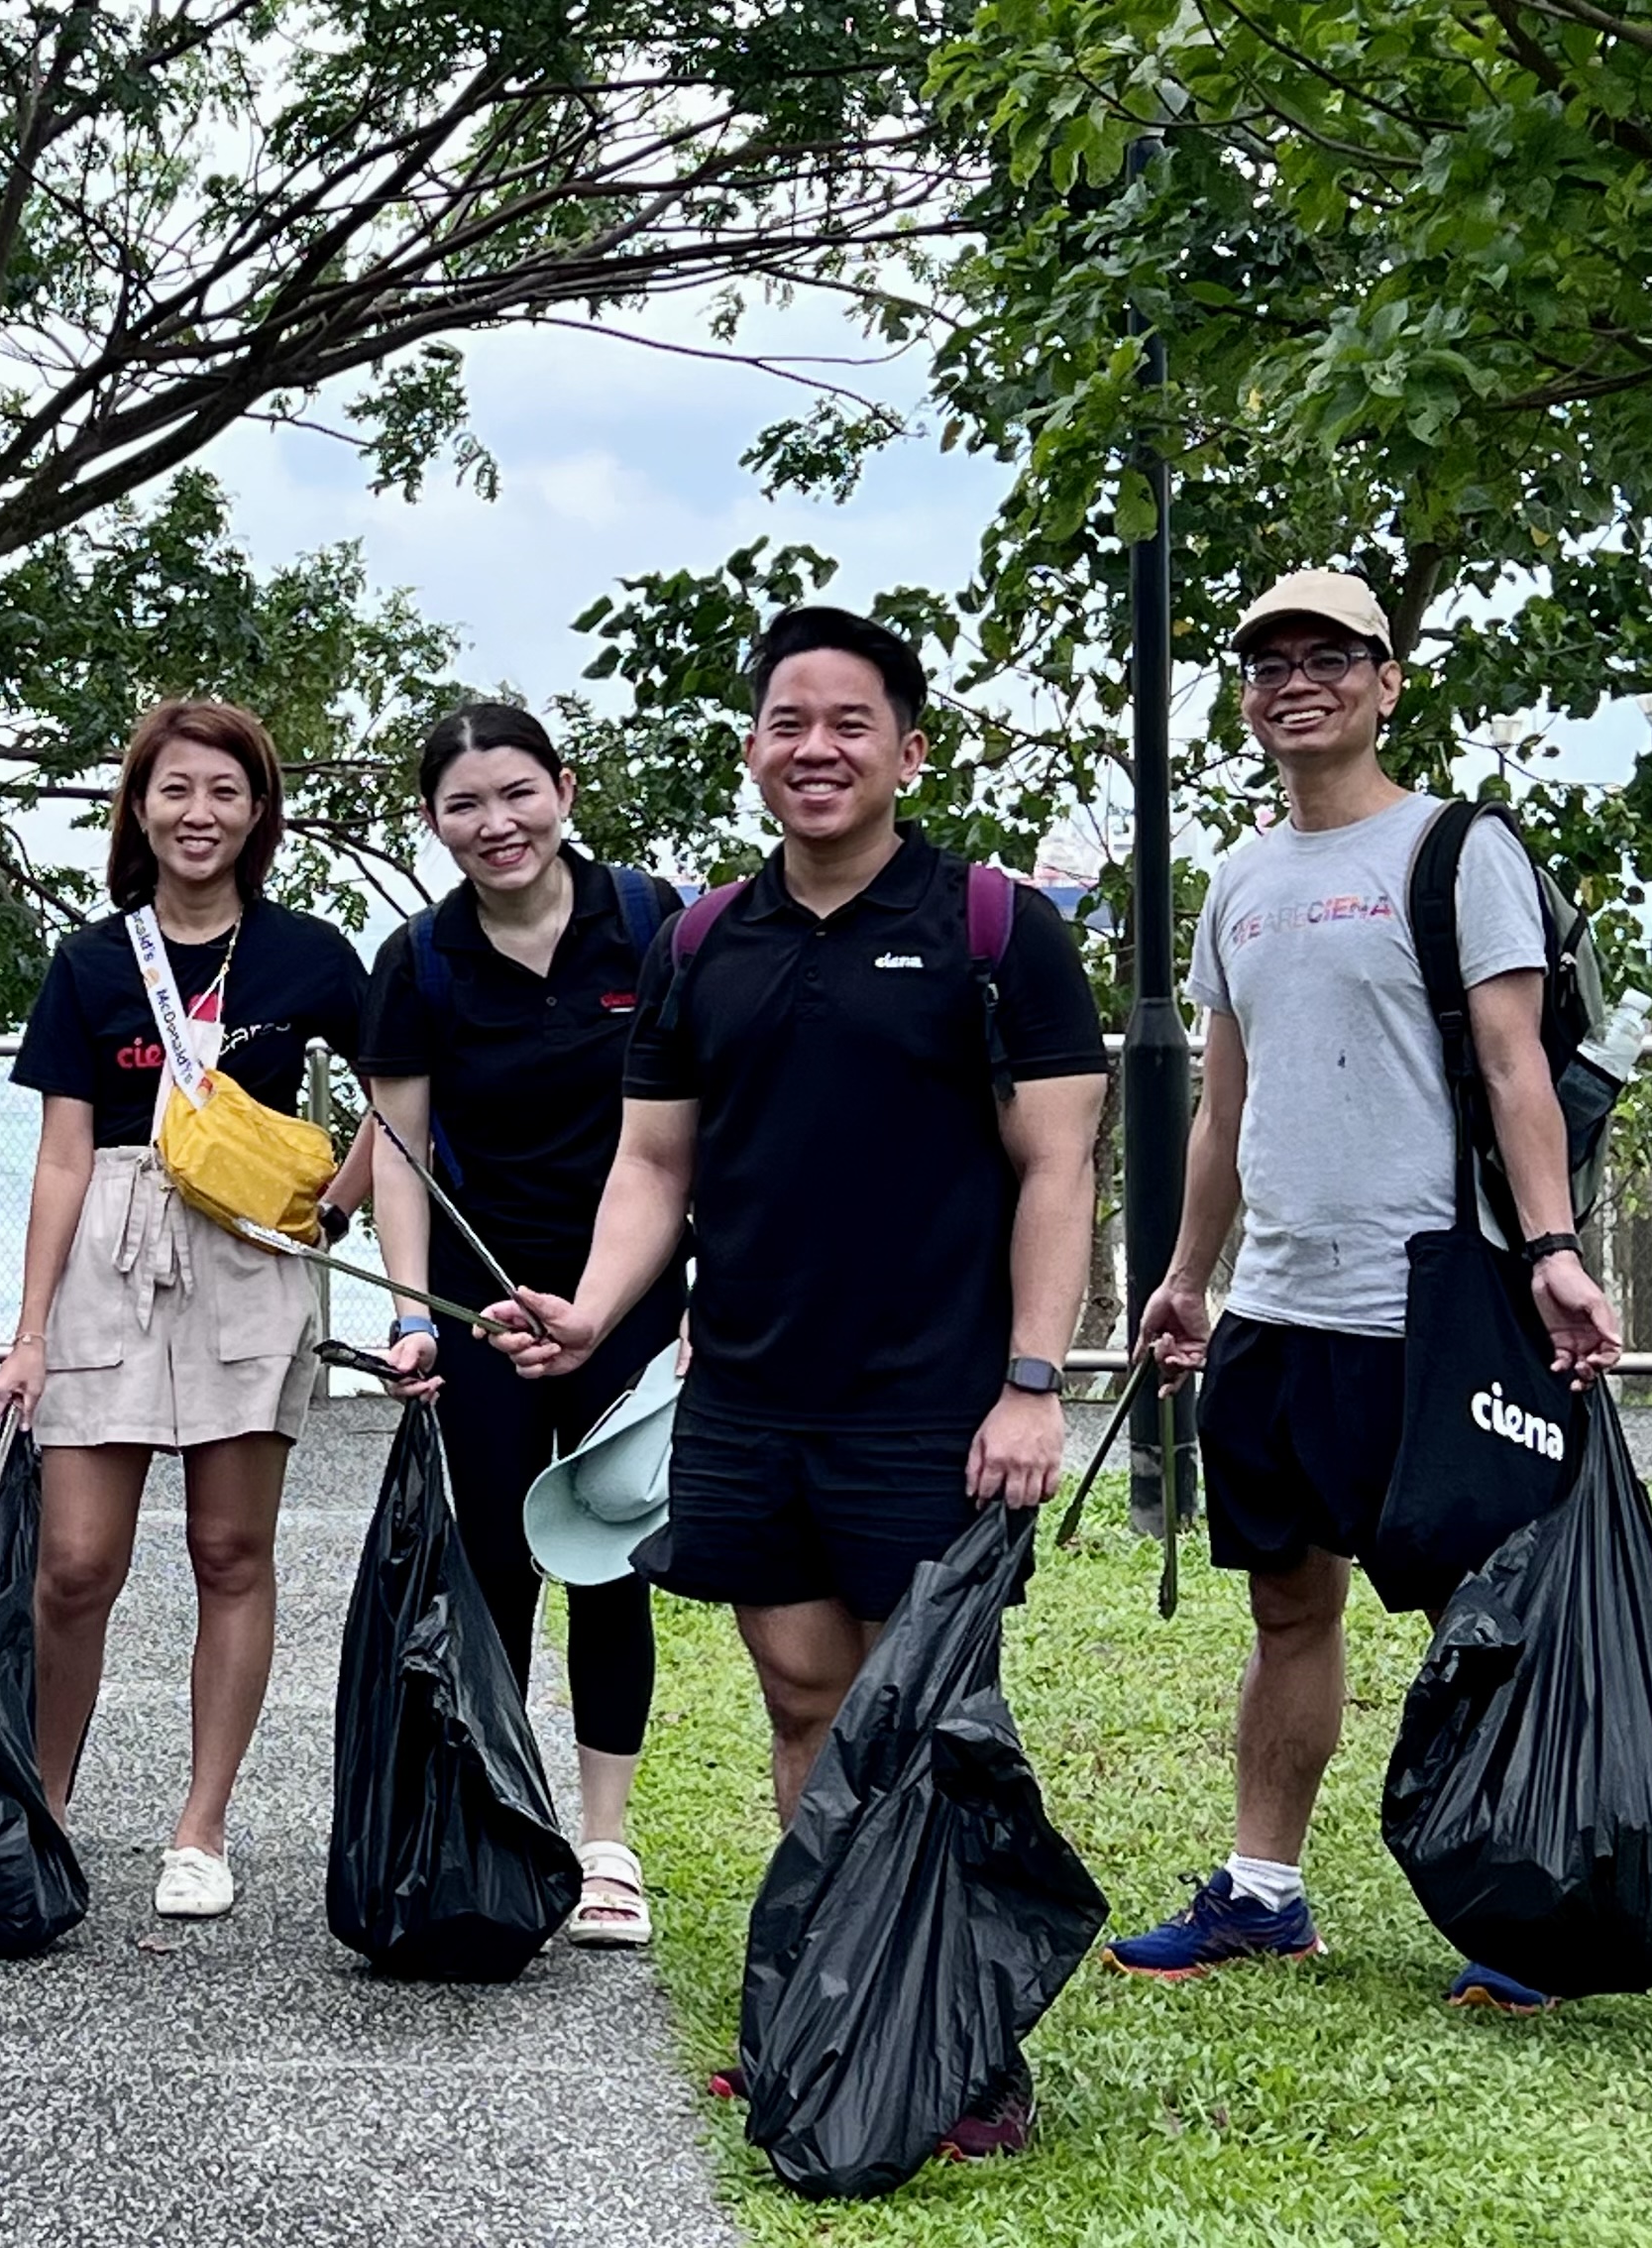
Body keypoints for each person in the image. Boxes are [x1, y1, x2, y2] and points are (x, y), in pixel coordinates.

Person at [491, 605, 1106, 2155]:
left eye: (848, 723)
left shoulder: (995, 926)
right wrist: (591, 1309)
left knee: (935, 1720)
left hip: (934, 1399)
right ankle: (844, 2018)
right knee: (807, 1699)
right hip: (750, 1396)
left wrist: (1034, 1380)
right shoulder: (702, 939)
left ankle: (965, 2050)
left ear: (908, 745)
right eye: (786, 722)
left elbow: (1059, 1168)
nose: (814, 748)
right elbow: (653, 1162)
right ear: (753, 750)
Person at [1106, 570, 1625, 2014]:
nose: (1296, 682)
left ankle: (1516, 1904)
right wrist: (1186, 1279)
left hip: (1436, 1302)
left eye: (1328, 656)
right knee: (1289, 1604)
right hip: (1279, 1305)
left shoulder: (1456, 852)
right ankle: (1262, 1893)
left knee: (1481, 1610)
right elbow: (1224, 1104)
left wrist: (1553, 1252)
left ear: (1387, 681)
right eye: (1268, 661)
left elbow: (1518, 1066)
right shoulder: (1237, 881)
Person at [0, 698, 367, 1921]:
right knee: (75, 1562)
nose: (198, 814)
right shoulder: (93, 962)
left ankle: (201, 1827)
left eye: (224, 792)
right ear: (138, 810)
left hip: (248, 1257)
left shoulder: (309, 955)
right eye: (174, 791)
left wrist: (331, 1201)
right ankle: (44, 1804)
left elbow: (402, 1104)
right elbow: (56, 1156)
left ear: (259, 812)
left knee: (230, 1550)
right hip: (110, 1238)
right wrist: (30, 1329)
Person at [356, 701, 684, 1947]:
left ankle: (605, 1842)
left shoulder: (656, 926)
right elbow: (397, 1154)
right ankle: (498, 1809)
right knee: (490, 1561)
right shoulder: (421, 960)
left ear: (564, 789)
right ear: (434, 822)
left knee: (609, 1556)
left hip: (630, 1298)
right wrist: (410, 1315)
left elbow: (700, 1130)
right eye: (464, 805)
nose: (496, 824)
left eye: (516, 794)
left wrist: (680, 1311)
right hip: (482, 1306)